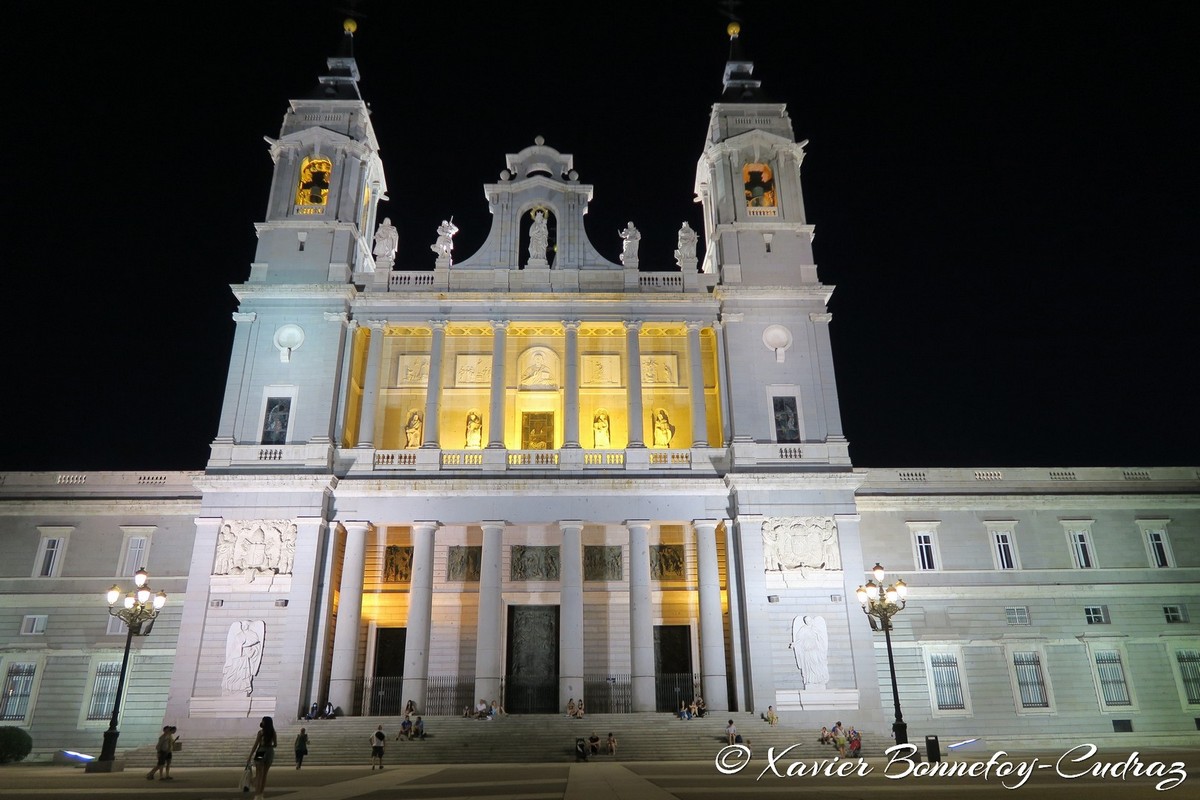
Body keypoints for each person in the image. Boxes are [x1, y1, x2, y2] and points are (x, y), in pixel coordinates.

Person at [246, 716, 277, 800]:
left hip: (261, 751)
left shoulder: (261, 732)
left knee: (259, 774)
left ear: (265, 722)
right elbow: (275, 744)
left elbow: (256, 745)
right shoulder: (273, 732)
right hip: (270, 751)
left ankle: (256, 794)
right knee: (264, 775)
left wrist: (250, 756)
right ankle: (261, 795)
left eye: (263, 721)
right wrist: (269, 745)